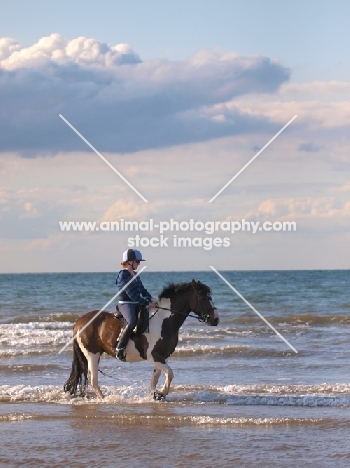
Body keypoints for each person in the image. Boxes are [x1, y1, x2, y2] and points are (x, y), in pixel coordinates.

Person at [115, 248, 157, 361]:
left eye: (139, 262)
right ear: (129, 262)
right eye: (137, 262)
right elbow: (132, 295)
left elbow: (143, 290)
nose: (138, 264)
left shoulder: (136, 275)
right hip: (126, 303)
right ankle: (120, 348)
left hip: (136, 302)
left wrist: (152, 299)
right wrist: (147, 303)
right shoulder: (123, 275)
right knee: (132, 321)